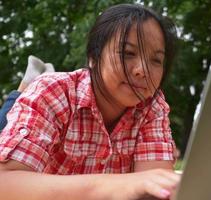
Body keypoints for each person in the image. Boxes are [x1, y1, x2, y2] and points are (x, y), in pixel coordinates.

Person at [0, 4, 180, 200]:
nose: (142, 70)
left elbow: (155, 188)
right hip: (48, 99)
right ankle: (24, 88)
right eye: (128, 53)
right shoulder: (53, 92)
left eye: (156, 60)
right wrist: (120, 185)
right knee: (7, 116)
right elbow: (5, 184)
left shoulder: (152, 106)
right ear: (93, 57)